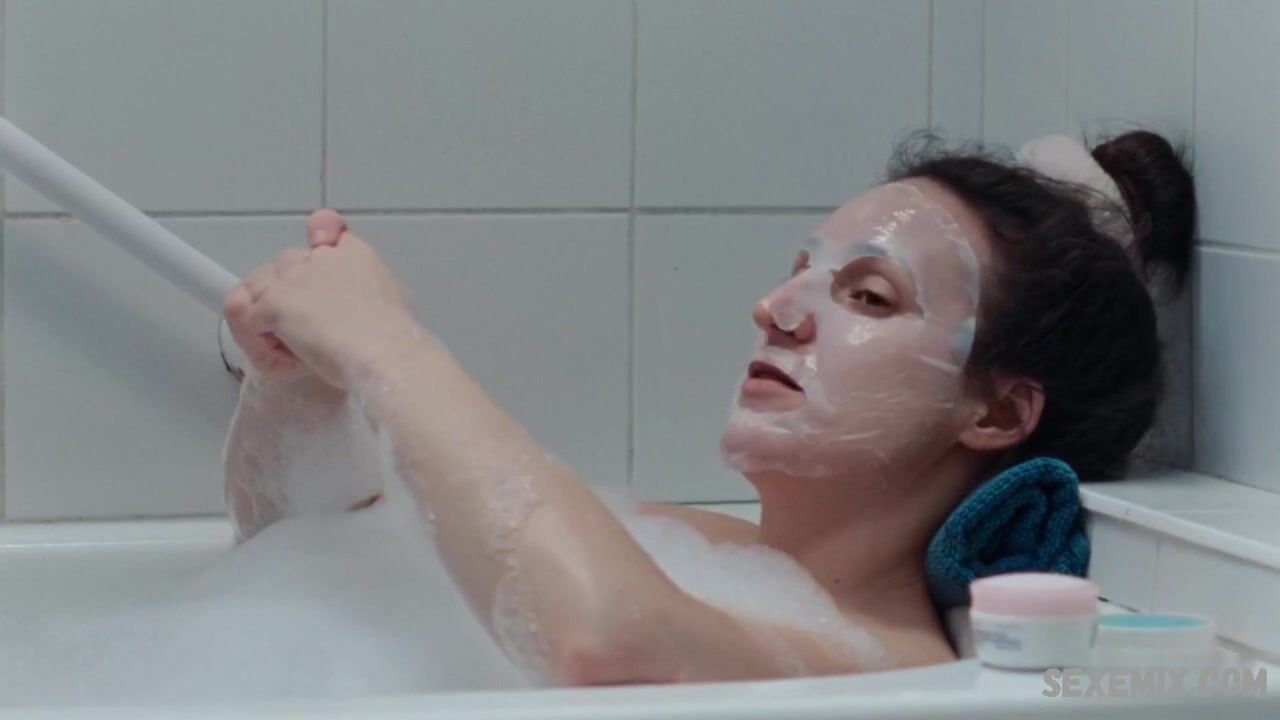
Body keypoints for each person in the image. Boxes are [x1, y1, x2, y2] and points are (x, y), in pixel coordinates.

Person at [222, 130, 1195, 685]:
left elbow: (605, 646)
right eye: (798, 274)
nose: (775, 310)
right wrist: (297, 386)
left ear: (996, 414)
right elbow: (306, 540)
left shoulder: (883, 665)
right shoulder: (685, 546)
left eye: (867, 297)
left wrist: (383, 344)